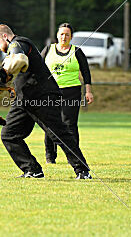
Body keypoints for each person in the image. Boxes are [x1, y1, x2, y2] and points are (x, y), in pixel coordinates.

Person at [0, 24, 91, 179]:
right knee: (9, 134)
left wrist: (12, 65)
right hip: (24, 100)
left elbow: (19, 57)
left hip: (41, 97)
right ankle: (32, 169)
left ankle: (83, 171)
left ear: (5, 36)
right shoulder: (12, 51)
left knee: (58, 134)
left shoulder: (18, 43)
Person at [40, 23, 94, 164]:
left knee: (69, 124)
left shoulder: (76, 51)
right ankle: (50, 157)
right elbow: (38, 69)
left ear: (71, 37)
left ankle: (74, 157)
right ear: (57, 35)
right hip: (51, 91)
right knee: (50, 124)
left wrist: (88, 91)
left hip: (71, 91)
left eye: (67, 34)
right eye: (62, 34)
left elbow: (86, 72)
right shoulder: (48, 49)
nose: (64, 37)